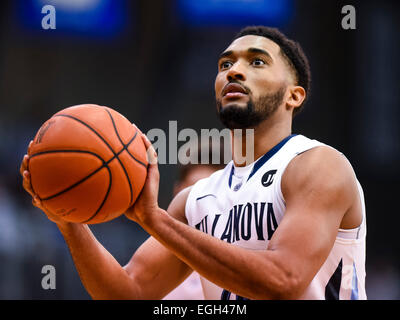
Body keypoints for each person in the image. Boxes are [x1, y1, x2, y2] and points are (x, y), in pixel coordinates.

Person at [20, 26, 366, 300]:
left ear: (295, 94)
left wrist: (151, 217)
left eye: (256, 62)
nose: (234, 72)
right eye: (225, 65)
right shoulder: (195, 200)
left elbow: (283, 280)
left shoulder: (319, 165)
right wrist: (67, 220)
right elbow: (128, 291)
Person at [163, 144, 225, 300]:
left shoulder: (246, 256)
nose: (202, 202)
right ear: (178, 192)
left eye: (210, 192)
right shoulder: (155, 262)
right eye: (193, 191)